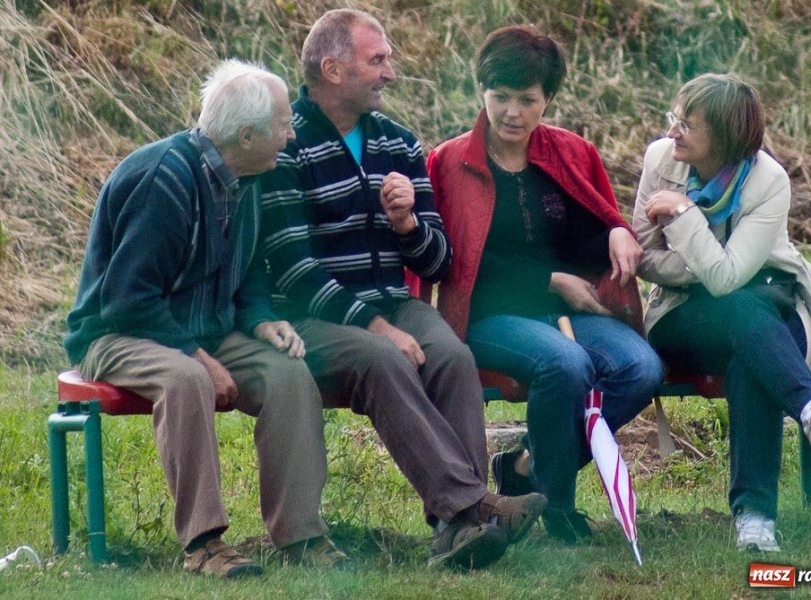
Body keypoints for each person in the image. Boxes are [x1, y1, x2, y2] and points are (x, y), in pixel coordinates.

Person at [258, 9, 547, 570]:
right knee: (381, 358)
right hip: (309, 319)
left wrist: (408, 226)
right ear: (333, 68)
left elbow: (439, 262)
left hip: (393, 302)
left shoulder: (396, 143)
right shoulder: (286, 142)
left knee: (450, 355)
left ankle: (453, 531)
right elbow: (292, 270)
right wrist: (375, 325)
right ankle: (472, 512)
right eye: (378, 60)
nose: (391, 72)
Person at [64, 59, 341, 578]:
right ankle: (204, 544)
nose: (291, 131)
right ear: (246, 134)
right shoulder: (161, 180)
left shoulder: (250, 174)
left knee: (286, 372)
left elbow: (250, 268)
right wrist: (197, 356)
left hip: (202, 329)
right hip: (117, 333)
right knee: (187, 379)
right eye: (284, 124)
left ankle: (300, 533)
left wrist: (260, 320)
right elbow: (127, 300)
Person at [426, 25, 664, 544]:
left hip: (571, 311)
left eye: (527, 100)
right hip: (490, 314)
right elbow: (455, 263)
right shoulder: (450, 163)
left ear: (548, 99)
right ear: (482, 94)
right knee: (566, 364)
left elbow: (596, 223)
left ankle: (527, 465)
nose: (513, 112)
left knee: (640, 368)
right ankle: (556, 509)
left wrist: (619, 232)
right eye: (500, 97)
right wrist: (550, 280)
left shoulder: (572, 153)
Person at [633, 73, 811, 552]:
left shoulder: (768, 181)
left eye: (687, 125)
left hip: (774, 313)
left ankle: (755, 522)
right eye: (674, 118)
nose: (672, 132)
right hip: (684, 316)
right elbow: (646, 256)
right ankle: (809, 406)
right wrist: (707, 253)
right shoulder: (660, 159)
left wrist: (687, 222)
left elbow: (729, 277)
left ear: (726, 138)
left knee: (748, 353)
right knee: (739, 300)